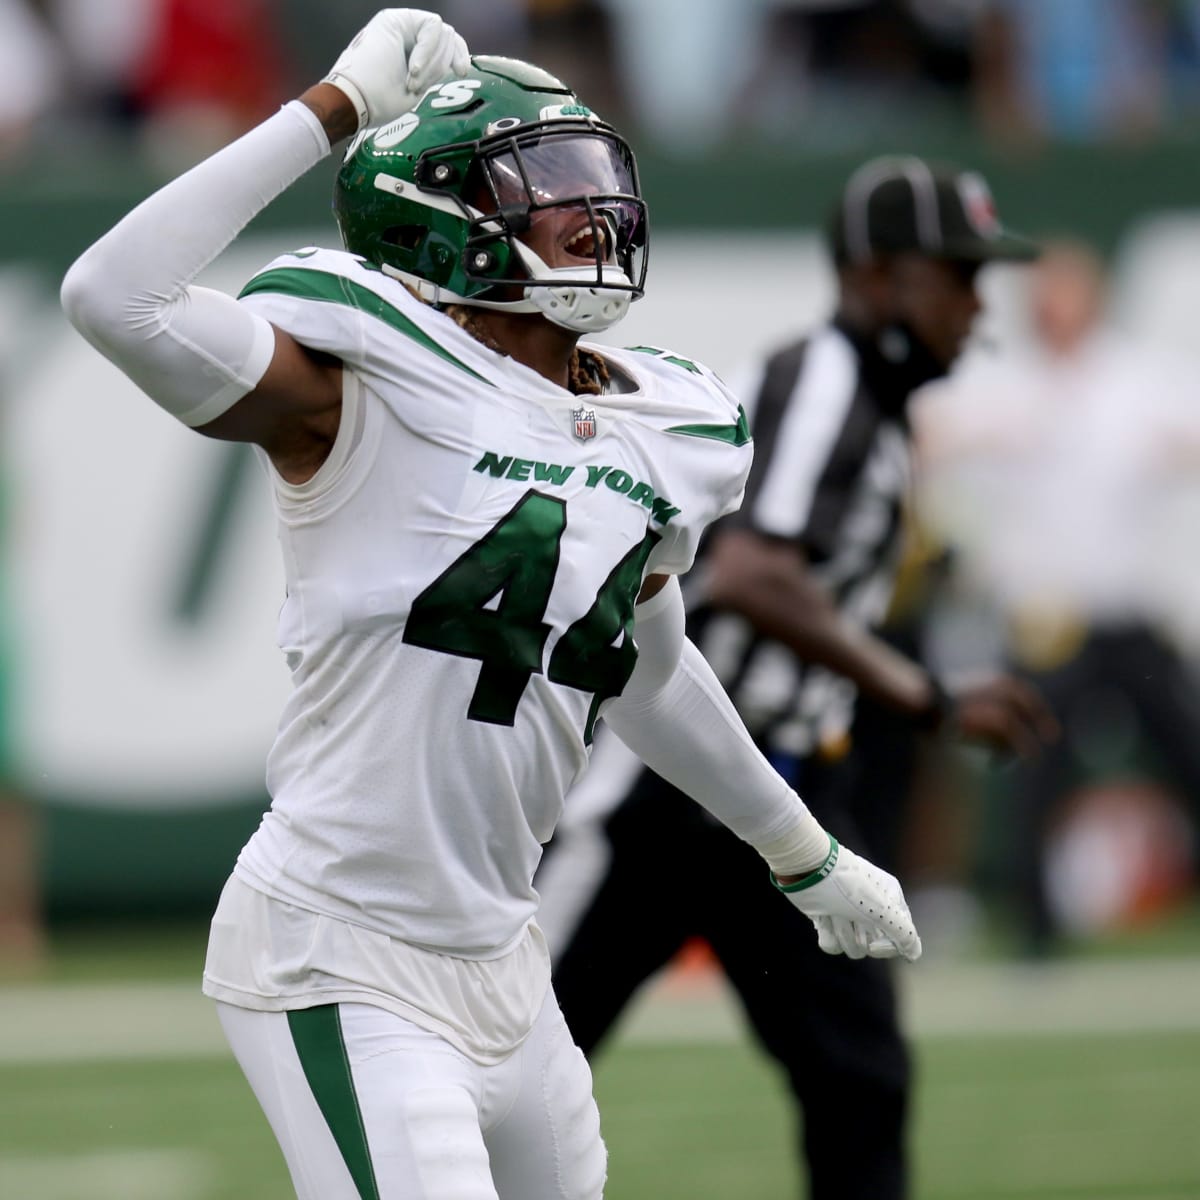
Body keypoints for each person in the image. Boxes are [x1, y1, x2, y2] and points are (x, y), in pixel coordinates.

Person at [60, 12, 922, 1200]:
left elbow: (650, 668)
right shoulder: (355, 381)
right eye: (544, 181)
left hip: (505, 961)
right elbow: (113, 295)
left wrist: (803, 853)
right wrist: (331, 109)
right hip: (341, 947)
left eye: (593, 174)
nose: (593, 209)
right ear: (441, 216)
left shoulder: (665, 422)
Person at [535, 155, 1059, 1200]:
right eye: (954, 273)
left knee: (859, 1081)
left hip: (790, 791)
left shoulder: (872, 400)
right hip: (674, 791)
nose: (973, 303)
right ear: (881, 276)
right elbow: (756, 574)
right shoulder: (821, 381)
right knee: (512, 1056)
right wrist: (929, 695)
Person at [915, 237, 1200, 955]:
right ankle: (1037, 933)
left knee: (1188, 751)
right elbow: (929, 439)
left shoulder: (1138, 379)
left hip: (1127, 609)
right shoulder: (1004, 385)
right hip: (1048, 618)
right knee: (1037, 774)